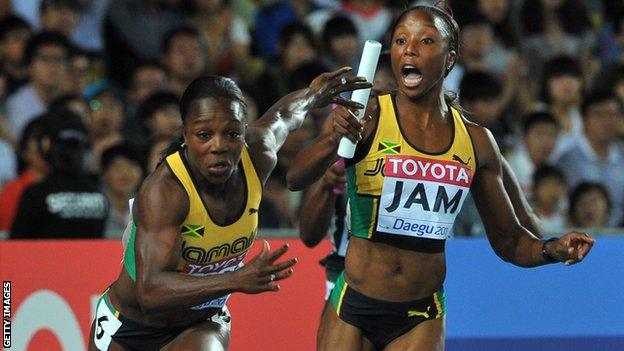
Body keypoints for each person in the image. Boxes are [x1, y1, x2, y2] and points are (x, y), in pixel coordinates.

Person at [287, 4, 595, 350]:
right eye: (401, 40)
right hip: (354, 307)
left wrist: (552, 249)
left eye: (426, 41)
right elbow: (296, 178)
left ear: (449, 59)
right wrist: (332, 138)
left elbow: (510, 241)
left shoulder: (476, 142)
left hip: (421, 316)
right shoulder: (368, 114)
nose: (410, 49)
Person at [88, 67, 371, 351]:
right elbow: (150, 293)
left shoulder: (258, 154)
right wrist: (234, 279)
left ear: (245, 132)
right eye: (204, 135)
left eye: (232, 134)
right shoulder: (165, 191)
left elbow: (284, 115)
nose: (219, 146)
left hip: (199, 322)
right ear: (185, 135)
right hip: (129, 325)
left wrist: (313, 95)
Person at [10, 109, 108, 239]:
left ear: (46, 146)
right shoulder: (99, 196)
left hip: (42, 259)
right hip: (89, 260)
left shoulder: (35, 194)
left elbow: (16, 247)